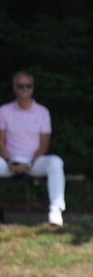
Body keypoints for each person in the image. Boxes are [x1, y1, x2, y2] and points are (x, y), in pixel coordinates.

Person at [0, 70, 66, 226]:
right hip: (9, 161)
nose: (24, 89)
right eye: (21, 86)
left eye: (28, 86)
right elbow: (0, 141)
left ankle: (56, 210)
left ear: (32, 88)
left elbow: (44, 145)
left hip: (34, 162)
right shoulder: (4, 111)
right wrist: (9, 160)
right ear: (15, 88)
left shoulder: (42, 112)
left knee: (55, 162)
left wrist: (29, 163)